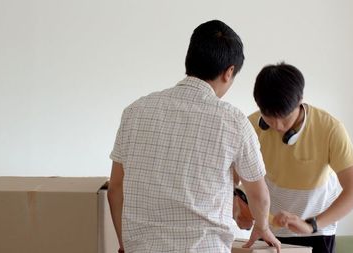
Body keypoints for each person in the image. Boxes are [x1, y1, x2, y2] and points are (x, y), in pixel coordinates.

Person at [107, 20, 281, 253]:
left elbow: (116, 188)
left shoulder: (135, 111)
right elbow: (258, 194)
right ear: (229, 72)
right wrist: (262, 226)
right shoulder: (233, 121)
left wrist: (124, 244)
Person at [241, 62, 353, 253]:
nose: (278, 125)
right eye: (269, 117)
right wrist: (242, 208)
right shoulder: (250, 127)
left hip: (317, 233)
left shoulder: (330, 128)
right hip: (268, 232)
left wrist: (312, 225)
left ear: (300, 101)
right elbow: (232, 181)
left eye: (284, 117)